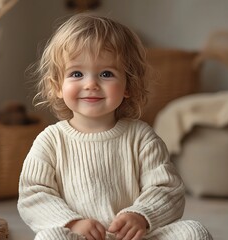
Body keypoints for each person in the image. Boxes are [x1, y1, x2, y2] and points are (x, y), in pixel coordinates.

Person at [17, 13, 213, 240]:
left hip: (135, 236)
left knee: (193, 232)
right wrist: (72, 222)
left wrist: (141, 215)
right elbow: (33, 194)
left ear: (128, 84)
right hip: (80, 236)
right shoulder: (51, 140)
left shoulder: (141, 137)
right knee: (49, 238)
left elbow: (167, 189)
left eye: (106, 74)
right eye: (77, 73)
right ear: (58, 86)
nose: (91, 84)